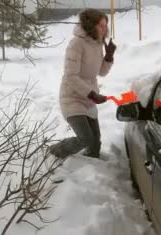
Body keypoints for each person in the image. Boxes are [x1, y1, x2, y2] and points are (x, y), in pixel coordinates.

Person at [51, 9, 117, 159]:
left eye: (105, 25)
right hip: (72, 98)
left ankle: (89, 169)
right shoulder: (76, 44)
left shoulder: (97, 44)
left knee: (95, 145)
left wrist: (108, 56)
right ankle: (54, 152)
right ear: (90, 25)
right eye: (100, 25)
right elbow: (70, 77)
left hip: (89, 99)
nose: (104, 29)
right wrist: (92, 94)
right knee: (85, 139)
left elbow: (101, 72)